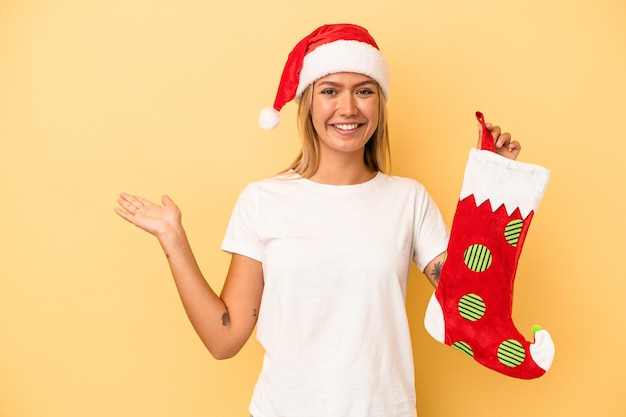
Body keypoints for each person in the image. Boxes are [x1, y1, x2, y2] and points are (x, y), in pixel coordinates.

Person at [115, 23, 521, 417]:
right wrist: (174, 239)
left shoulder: (408, 200)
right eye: (330, 91)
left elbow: (470, 304)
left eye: (364, 91)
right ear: (308, 102)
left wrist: (495, 188)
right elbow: (224, 338)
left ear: (378, 103)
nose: (348, 108)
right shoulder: (263, 200)